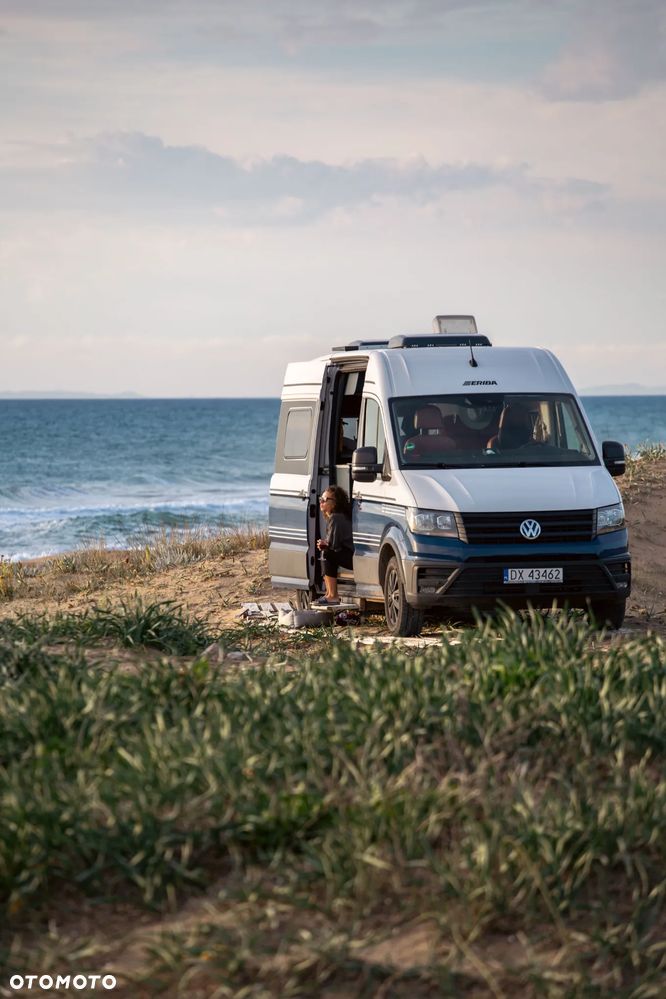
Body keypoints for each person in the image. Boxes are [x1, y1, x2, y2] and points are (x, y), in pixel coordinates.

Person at [315, 485, 353, 605]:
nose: (321, 502)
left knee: (326, 554)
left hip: (352, 557)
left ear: (334, 504)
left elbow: (333, 545)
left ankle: (332, 595)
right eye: (321, 499)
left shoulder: (336, 518)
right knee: (325, 553)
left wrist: (324, 544)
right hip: (350, 554)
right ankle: (328, 593)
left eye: (325, 500)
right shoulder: (337, 517)